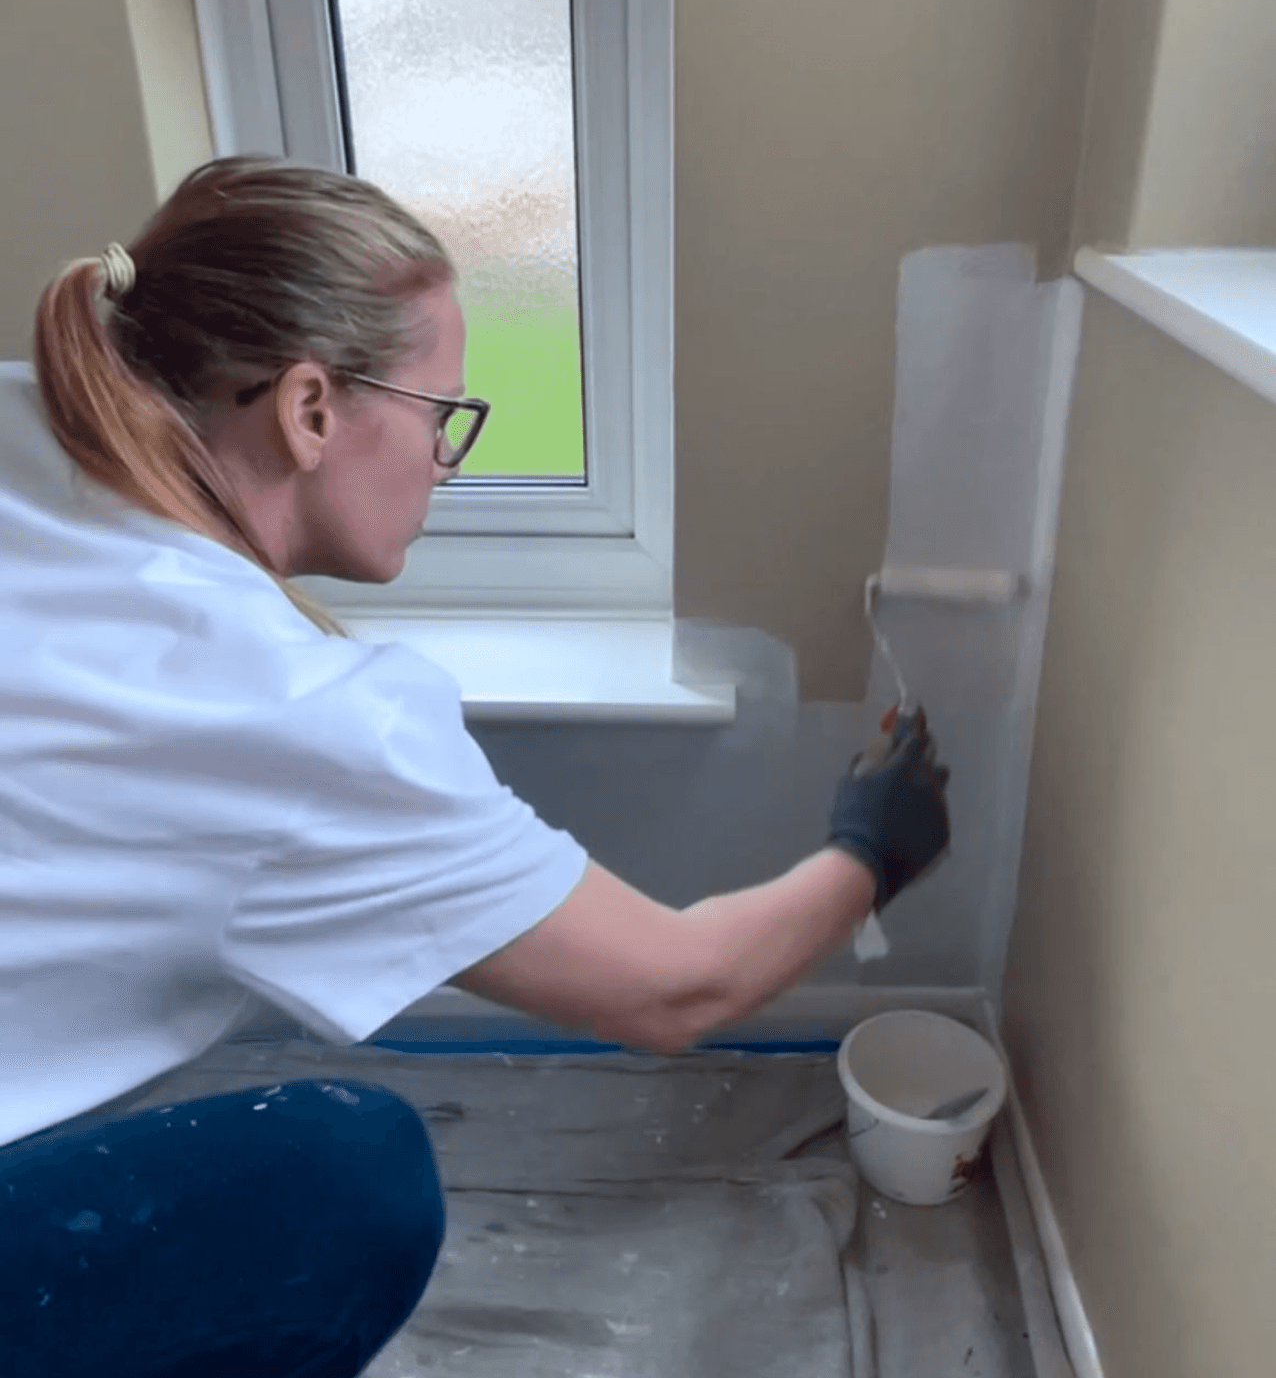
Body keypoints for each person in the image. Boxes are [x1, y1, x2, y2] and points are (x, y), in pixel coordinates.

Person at [0, 157, 950, 1378]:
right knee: (347, 1175)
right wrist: (873, 847)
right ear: (309, 409)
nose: (450, 460)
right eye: (441, 413)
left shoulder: (33, 415)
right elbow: (673, 988)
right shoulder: (287, 708)